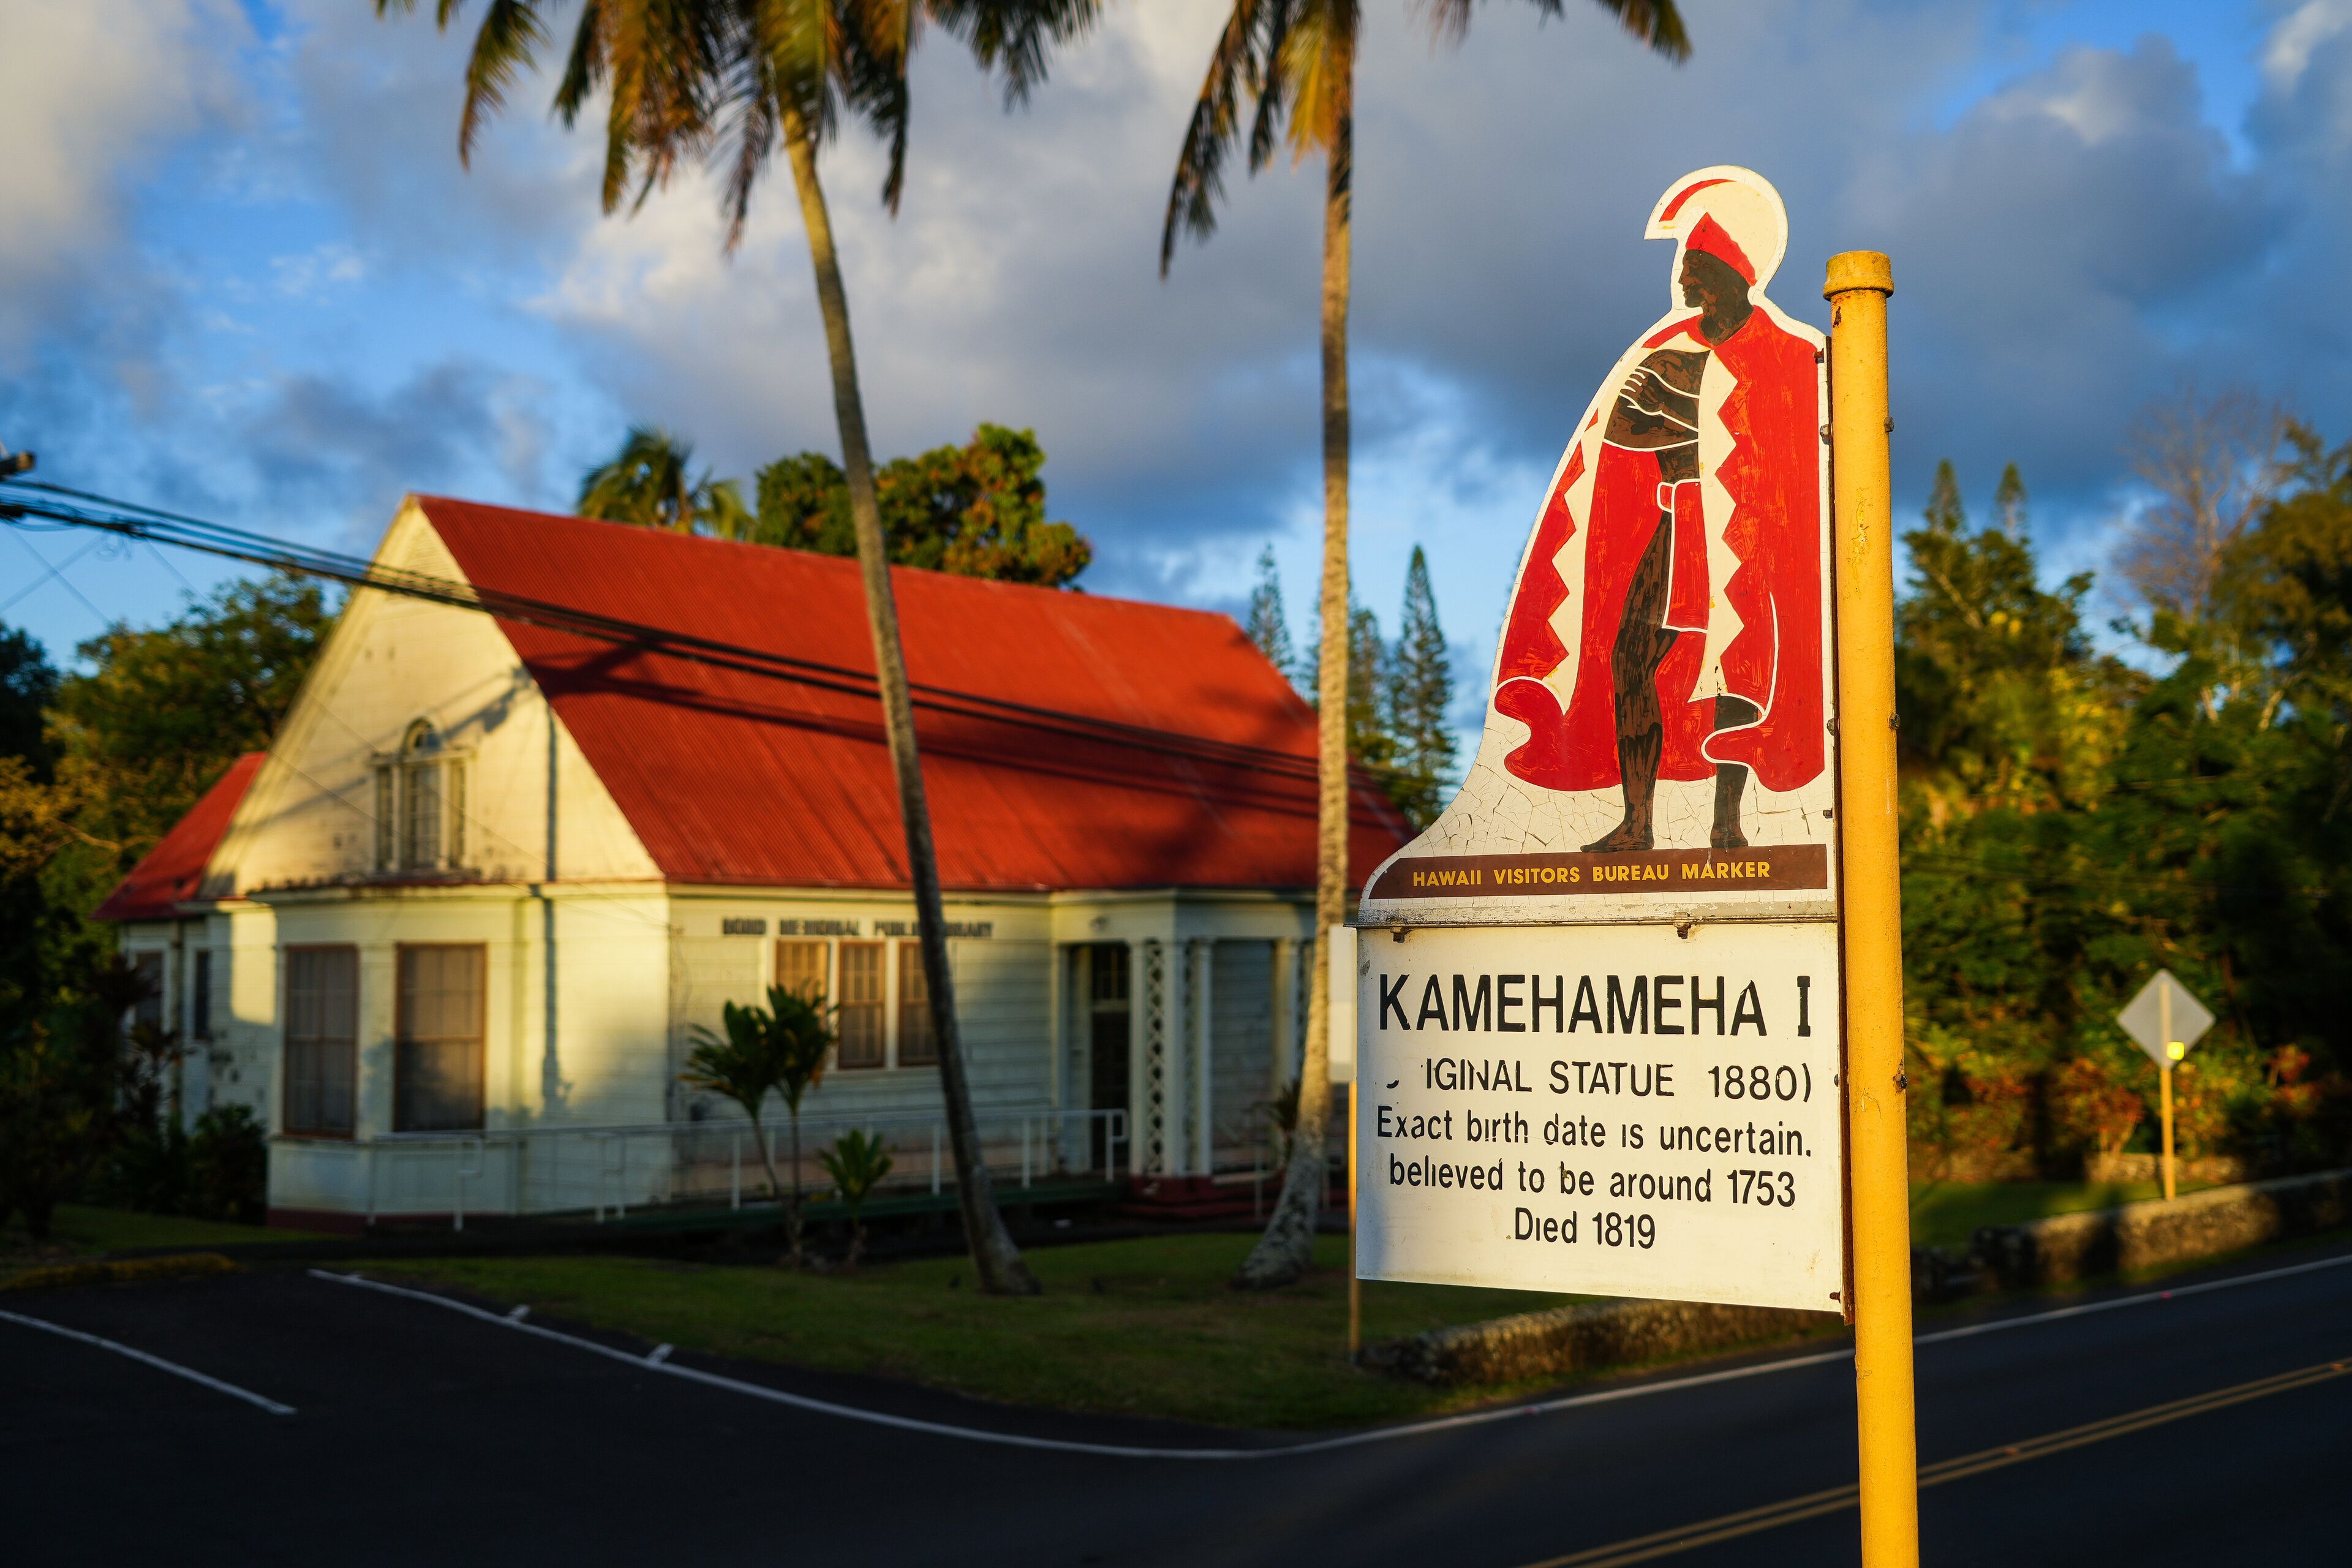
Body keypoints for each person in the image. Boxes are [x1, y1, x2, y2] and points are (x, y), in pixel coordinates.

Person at [1491, 171, 1825, 851]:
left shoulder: (1789, 355)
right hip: (1679, 526)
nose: (1682, 285)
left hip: (1745, 534)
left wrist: (1692, 421)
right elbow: (1622, 433)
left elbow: (1781, 449)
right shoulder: (1668, 355)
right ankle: (1638, 823)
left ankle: (1728, 825)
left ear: (1731, 275)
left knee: (1741, 665)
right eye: (1683, 271)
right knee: (1629, 660)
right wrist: (1685, 420)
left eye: (1696, 270)